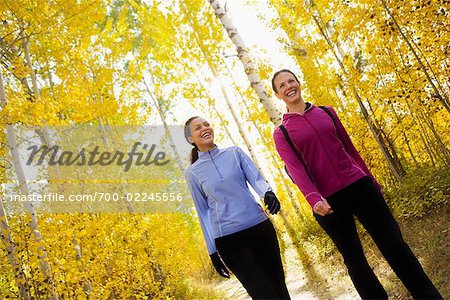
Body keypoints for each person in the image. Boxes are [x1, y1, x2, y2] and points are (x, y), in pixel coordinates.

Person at [271, 69, 443, 299]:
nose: (289, 86)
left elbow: (350, 149)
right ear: (278, 94)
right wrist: (313, 198)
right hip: (328, 201)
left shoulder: (326, 112)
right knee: (355, 262)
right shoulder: (282, 132)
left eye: (291, 80)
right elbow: (295, 169)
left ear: (299, 83)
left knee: (395, 247)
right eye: (282, 85)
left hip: (360, 187)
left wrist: (370, 179)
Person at [184, 116, 291, 300]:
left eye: (207, 124)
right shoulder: (192, 172)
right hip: (229, 241)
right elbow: (203, 213)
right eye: (198, 128)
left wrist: (268, 193)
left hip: (260, 229)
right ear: (190, 138)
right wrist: (212, 252)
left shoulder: (235, 153)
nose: (204, 129)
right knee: (263, 294)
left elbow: (256, 179)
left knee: (279, 290)